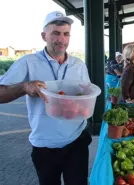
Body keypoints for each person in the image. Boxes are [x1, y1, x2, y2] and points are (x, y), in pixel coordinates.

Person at [0, 11, 91, 185]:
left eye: (66, 34)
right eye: (55, 33)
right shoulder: (28, 62)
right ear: (44, 36)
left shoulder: (78, 65)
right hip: (44, 145)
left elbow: (86, 95)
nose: (61, 39)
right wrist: (23, 87)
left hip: (76, 140)